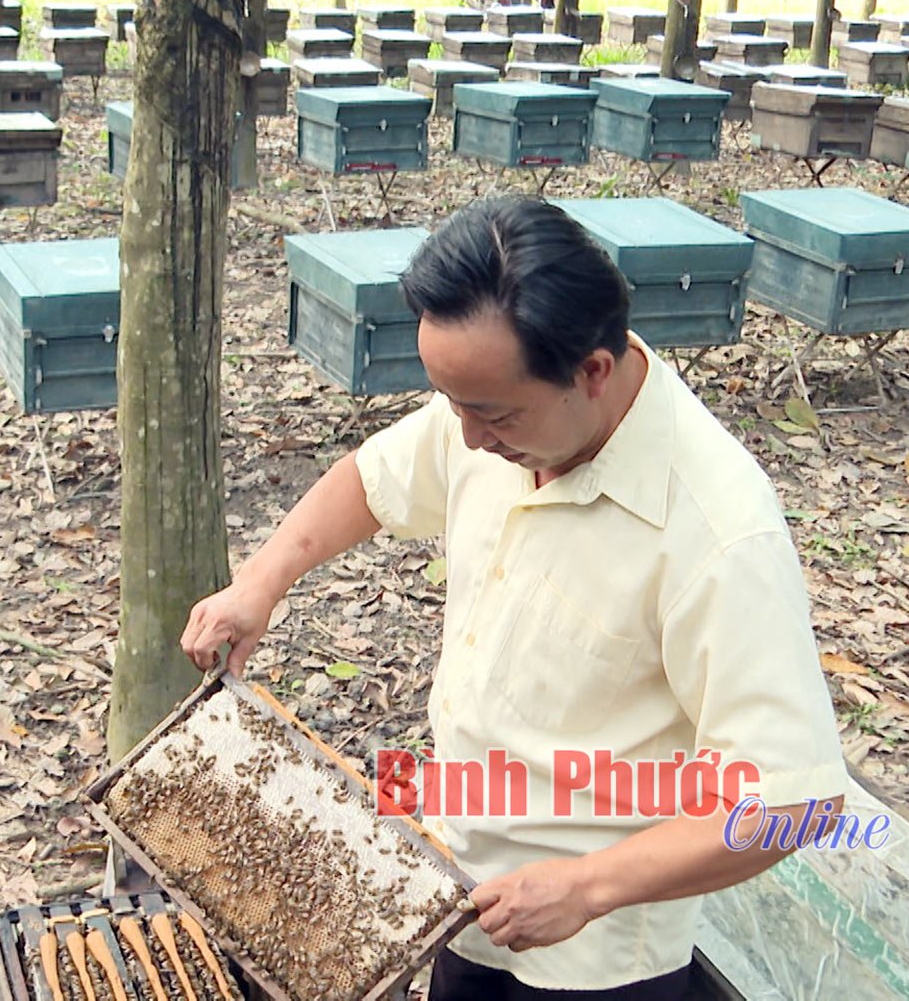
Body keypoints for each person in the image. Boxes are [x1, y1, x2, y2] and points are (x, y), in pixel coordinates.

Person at [182, 195, 848, 1000]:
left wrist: (588, 886)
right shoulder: (495, 409)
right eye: (452, 402)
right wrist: (260, 583)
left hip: (595, 959)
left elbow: (792, 797)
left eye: (489, 413)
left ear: (591, 372)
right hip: (458, 885)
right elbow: (375, 476)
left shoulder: (720, 531)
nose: (465, 436)